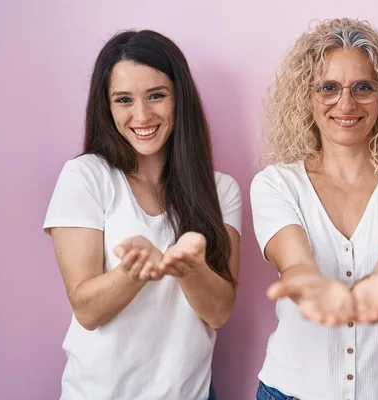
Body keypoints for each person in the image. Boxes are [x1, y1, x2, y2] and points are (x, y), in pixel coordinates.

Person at [250, 18, 378, 400]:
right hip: (289, 391)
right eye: (328, 88)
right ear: (306, 96)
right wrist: (309, 285)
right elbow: (294, 263)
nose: (346, 103)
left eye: (363, 88)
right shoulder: (275, 184)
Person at [43, 29, 241, 400]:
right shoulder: (85, 176)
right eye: (123, 100)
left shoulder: (221, 190)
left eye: (156, 95)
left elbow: (219, 312)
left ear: (179, 99)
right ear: (107, 107)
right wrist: (136, 271)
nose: (142, 115)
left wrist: (189, 267)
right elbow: (87, 310)